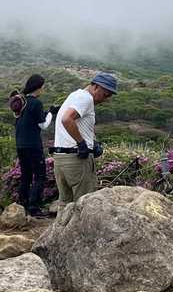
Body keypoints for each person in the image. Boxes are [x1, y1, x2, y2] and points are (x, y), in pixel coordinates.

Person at [50, 72, 119, 204]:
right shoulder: (86, 98)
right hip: (76, 159)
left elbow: (78, 124)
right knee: (85, 203)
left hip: (61, 158)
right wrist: (82, 144)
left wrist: (93, 143)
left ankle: (62, 220)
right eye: (105, 95)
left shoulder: (75, 95)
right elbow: (67, 119)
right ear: (96, 86)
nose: (105, 99)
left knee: (65, 203)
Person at [11, 74, 55, 218]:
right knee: (40, 176)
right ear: (38, 87)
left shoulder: (22, 102)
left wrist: (45, 114)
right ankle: (34, 208)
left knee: (26, 175)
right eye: (43, 86)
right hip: (33, 145)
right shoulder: (36, 103)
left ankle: (22, 205)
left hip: (21, 144)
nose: (43, 88)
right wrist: (51, 113)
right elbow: (43, 125)